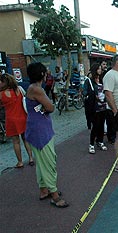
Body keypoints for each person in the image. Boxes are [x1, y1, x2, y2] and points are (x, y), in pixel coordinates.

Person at [25, 62, 68, 208]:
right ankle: (54, 196)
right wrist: (48, 106)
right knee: (49, 162)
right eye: (46, 72)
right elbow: (50, 107)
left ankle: (44, 190)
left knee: (41, 162)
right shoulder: (37, 89)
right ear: (42, 74)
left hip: (36, 129)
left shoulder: (33, 88)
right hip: (40, 132)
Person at [0, 73, 34, 168]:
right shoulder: (19, 90)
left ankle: (20, 162)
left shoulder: (1, 94)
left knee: (16, 141)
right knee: (25, 139)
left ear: (4, 82)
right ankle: (31, 158)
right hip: (23, 117)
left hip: (11, 120)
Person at [85, 63, 108, 154]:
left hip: (103, 106)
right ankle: (91, 144)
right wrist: (94, 96)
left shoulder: (102, 80)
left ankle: (100, 141)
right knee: (95, 126)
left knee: (102, 125)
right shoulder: (89, 81)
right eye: (98, 69)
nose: (100, 70)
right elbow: (85, 93)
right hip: (94, 107)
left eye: (100, 69)